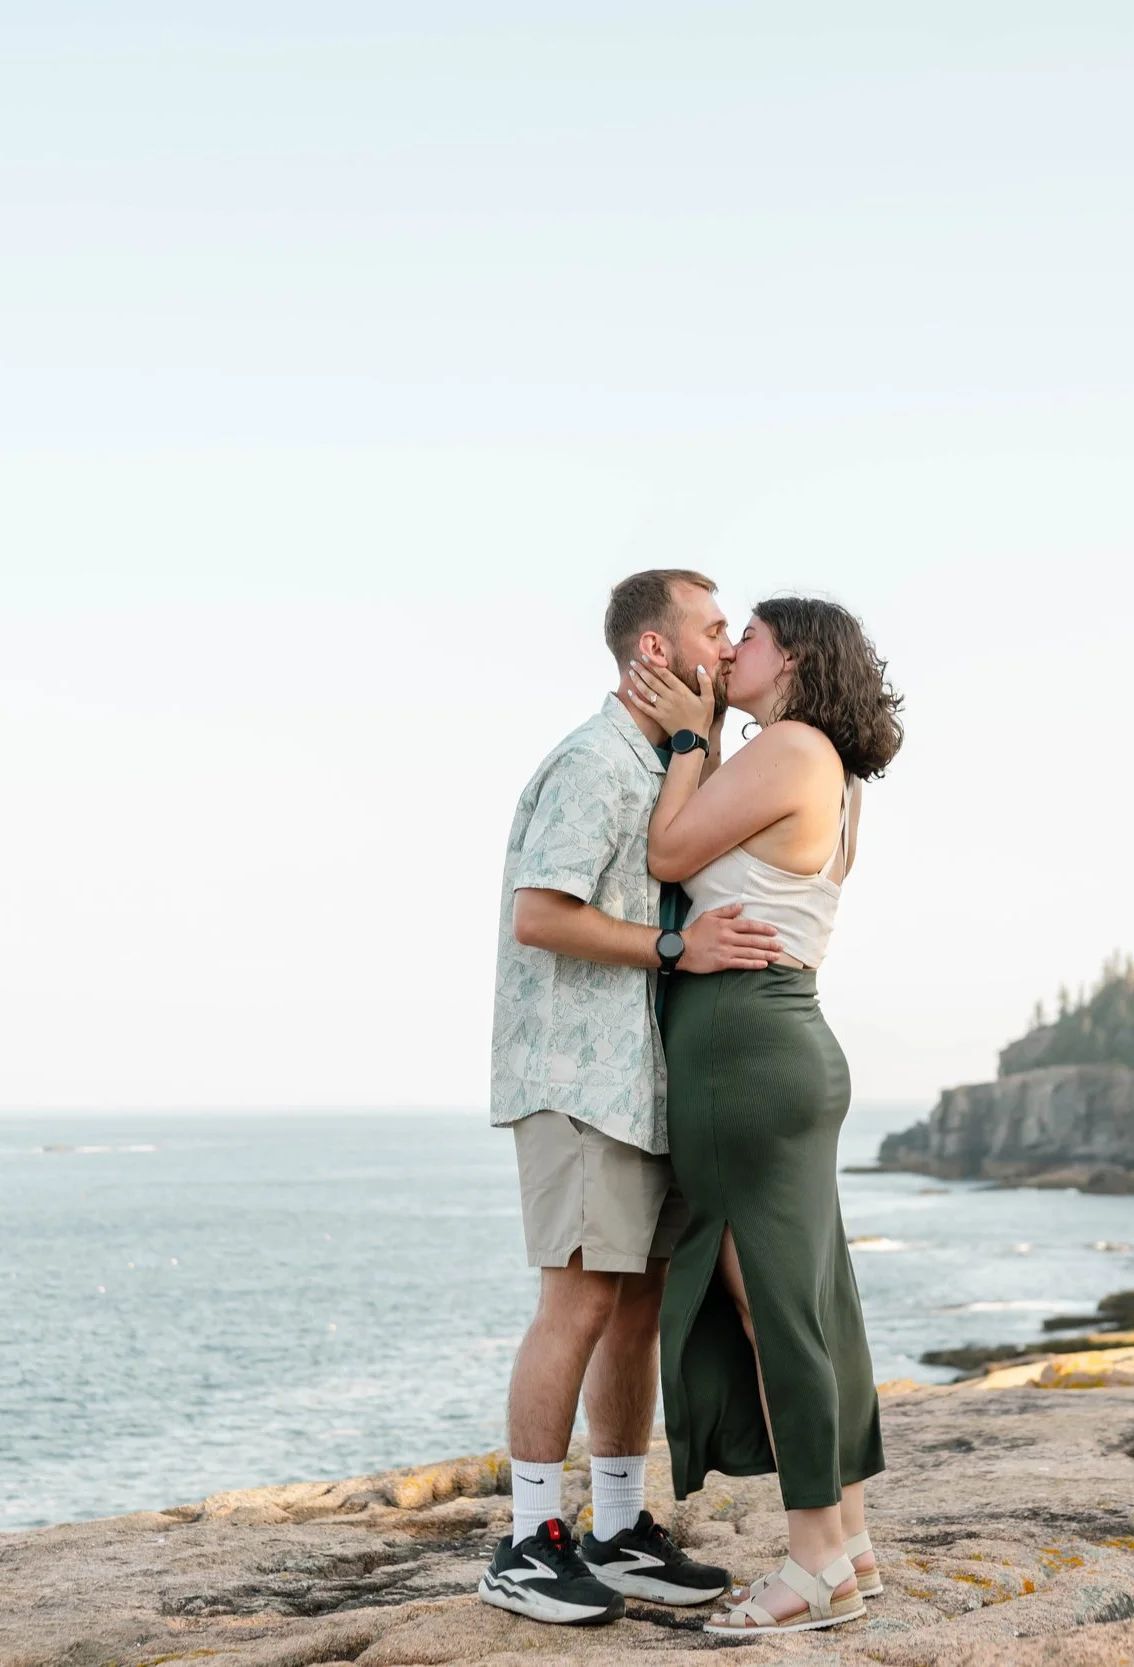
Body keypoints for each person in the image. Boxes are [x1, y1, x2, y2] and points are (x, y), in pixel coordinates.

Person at [478, 569, 784, 1627]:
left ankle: (614, 1526)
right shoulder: (592, 762)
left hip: (639, 1083)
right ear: (656, 651)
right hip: (575, 1078)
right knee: (579, 1302)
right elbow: (541, 916)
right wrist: (674, 946)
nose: (725, 646)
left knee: (637, 1304)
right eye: (711, 629)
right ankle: (524, 1541)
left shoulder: (665, 767)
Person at [622, 595, 905, 1638]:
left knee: (773, 1308)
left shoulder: (785, 745)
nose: (729, 647)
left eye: (751, 639)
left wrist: (692, 735)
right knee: (811, 1300)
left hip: (744, 1050)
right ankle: (852, 1543)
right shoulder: (822, 763)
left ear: (792, 662)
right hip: (780, 1042)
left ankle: (814, 1562)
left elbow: (665, 853)